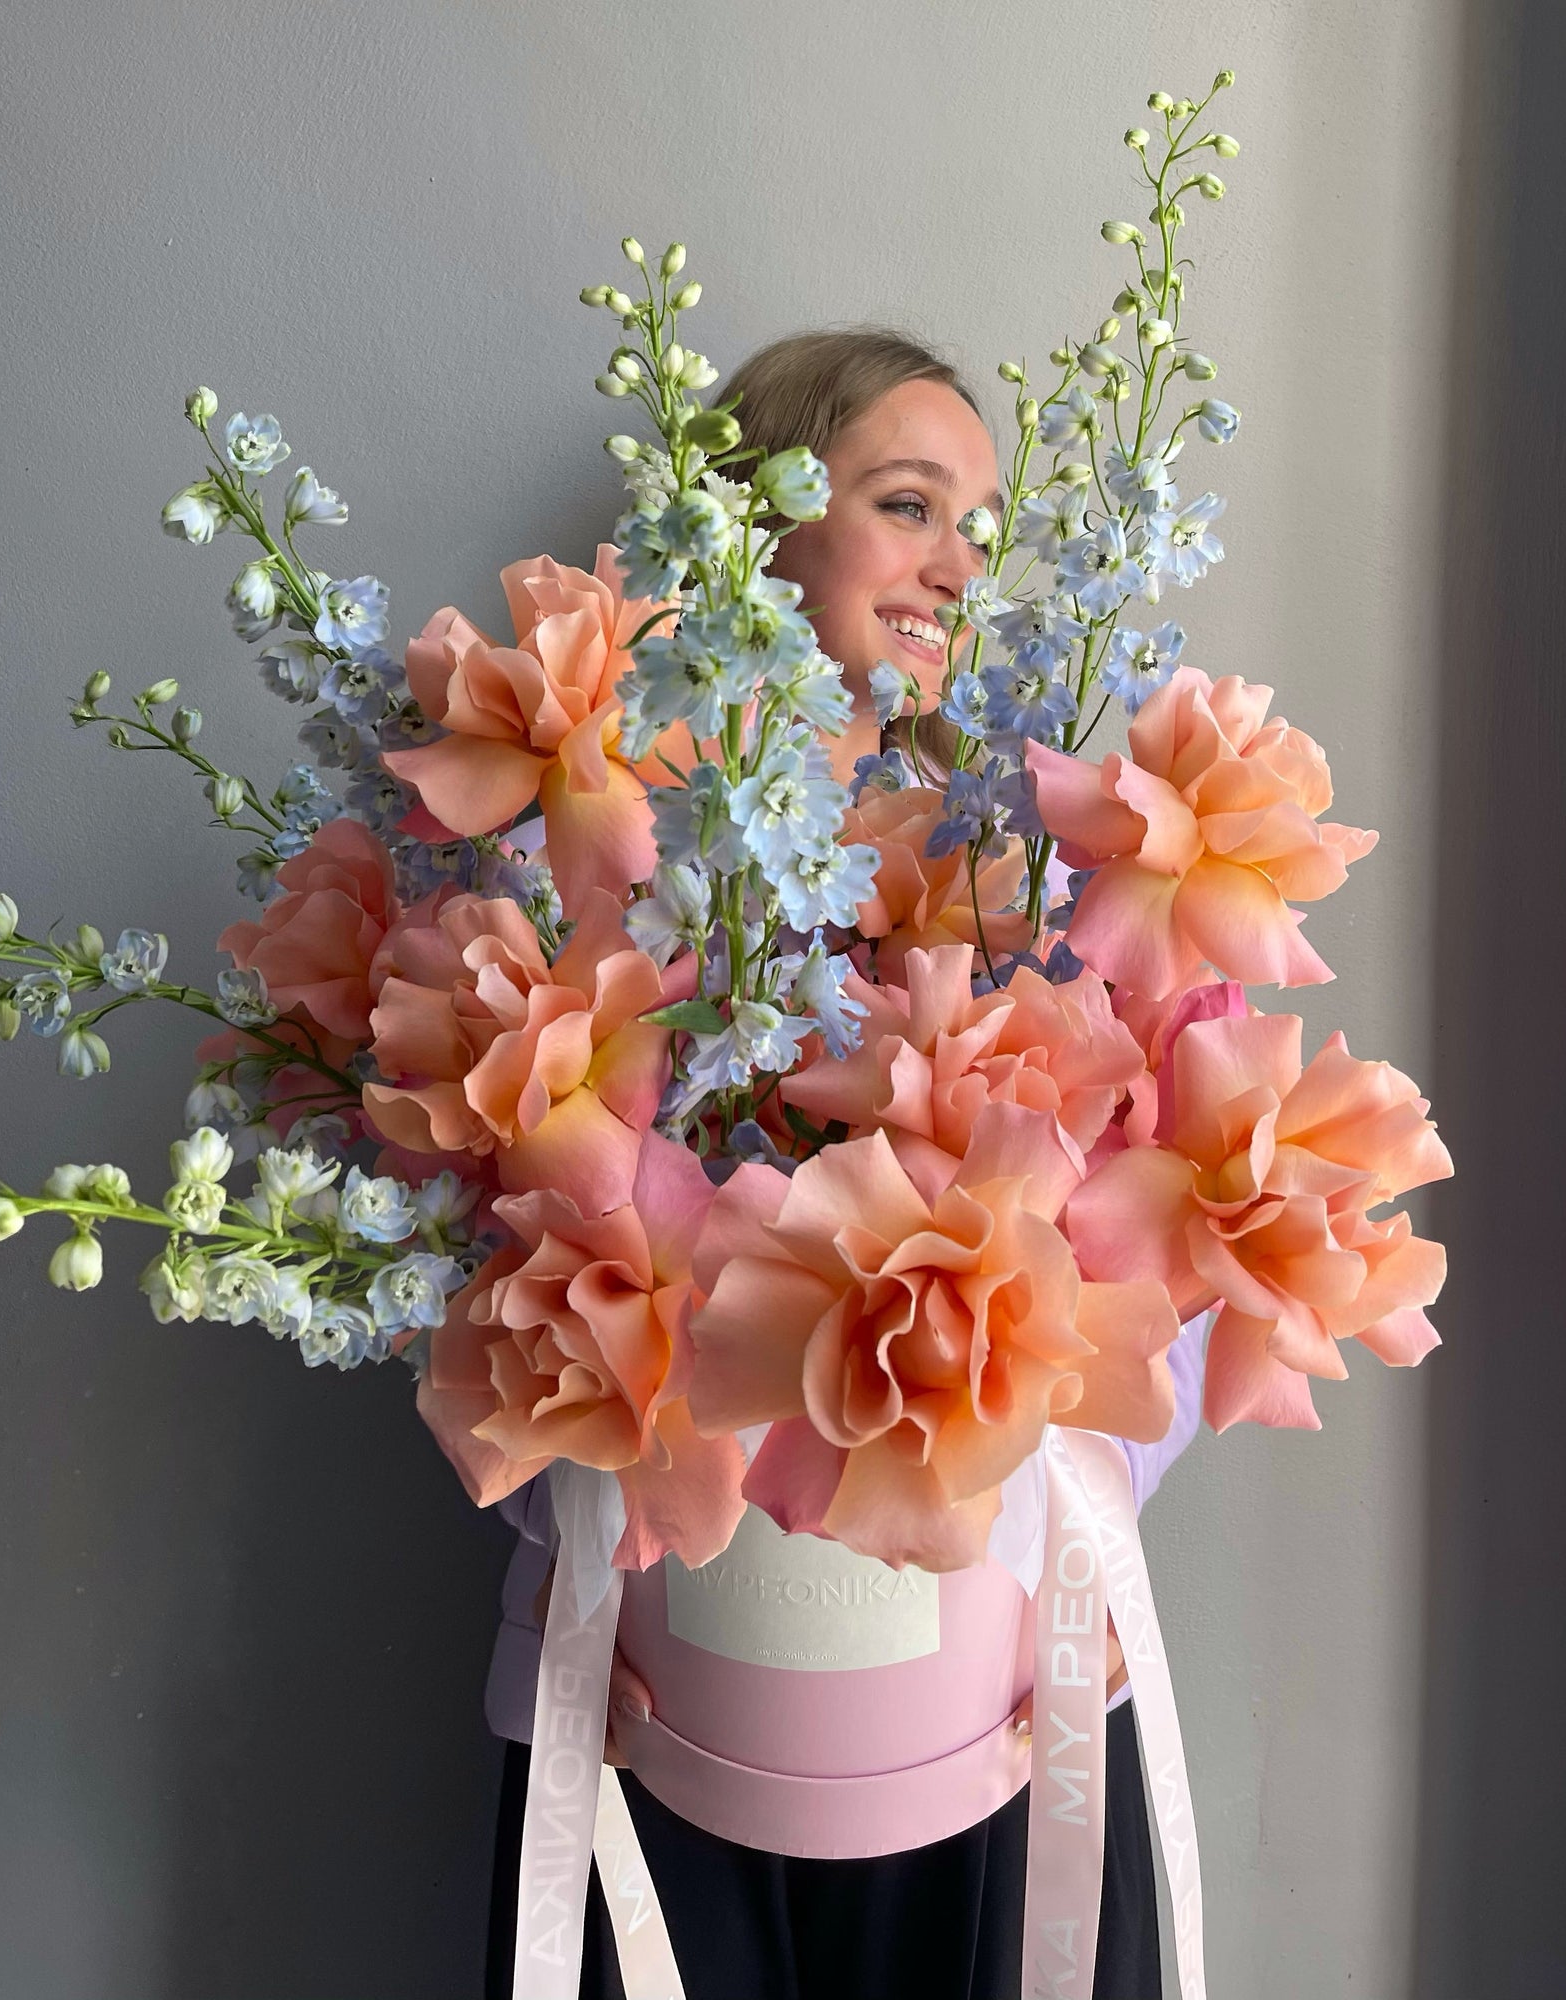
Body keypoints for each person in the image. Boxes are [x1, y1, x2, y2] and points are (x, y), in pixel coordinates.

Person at [482, 328, 1209, 2000]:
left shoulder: (1035, 869)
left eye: (983, 522)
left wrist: (1006, 1440)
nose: (960, 562)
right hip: (665, 1710)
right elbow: (490, 1273)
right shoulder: (583, 853)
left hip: (985, 1712)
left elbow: (1142, 1327)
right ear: (754, 531)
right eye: (908, 503)